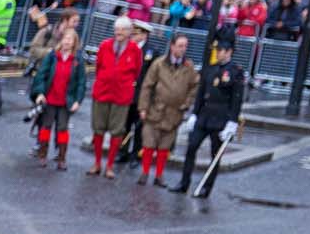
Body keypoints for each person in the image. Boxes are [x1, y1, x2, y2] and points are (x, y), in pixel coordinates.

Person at [172, 26, 242, 197]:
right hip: (204, 117)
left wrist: (232, 122)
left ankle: (206, 187)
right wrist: (194, 114)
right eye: (218, 50)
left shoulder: (236, 72)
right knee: (192, 147)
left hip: (221, 119)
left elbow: (236, 99)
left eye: (222, 50)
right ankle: (184, 182)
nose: (219, 53)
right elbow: (201, 94)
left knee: (215, 155)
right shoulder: (210, 69)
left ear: (229, 51)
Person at [86, 15, 144, 178]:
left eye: (123, 29)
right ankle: (97, 163)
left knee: (117, 131)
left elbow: (136, 72)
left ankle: (109, 166)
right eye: (117, 29)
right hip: (102, 92)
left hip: (121, 96)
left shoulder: (135, 50)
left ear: (129, 31)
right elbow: (99, 67)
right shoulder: (105, 46)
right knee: (98, 128)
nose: (119, 32)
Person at [136, 30, 196, 185]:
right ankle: (145, 172)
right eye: (180, 46)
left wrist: (186, 104)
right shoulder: (159, 63)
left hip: (174, 113)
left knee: (164, 146)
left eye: (185, 46)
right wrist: (143, 107)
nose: (183, 49)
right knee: (149, 143)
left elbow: (194, 87)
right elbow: (147, 86)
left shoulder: (189, 67)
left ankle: (159, 175)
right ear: (172, 46)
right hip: (155, 109)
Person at [28, 26, 84, 169]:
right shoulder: (52, 56)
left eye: (70, 39)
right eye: (65, 38)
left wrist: (78, 101)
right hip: (50, 98)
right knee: (46, 126)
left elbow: (81, 83)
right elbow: (41, 75)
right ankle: (42, 154)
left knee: (62, 128)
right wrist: (40, 93)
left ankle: (61, 158)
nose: (66, 42)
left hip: (66, 101)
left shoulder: (77, 60)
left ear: (74, 42)